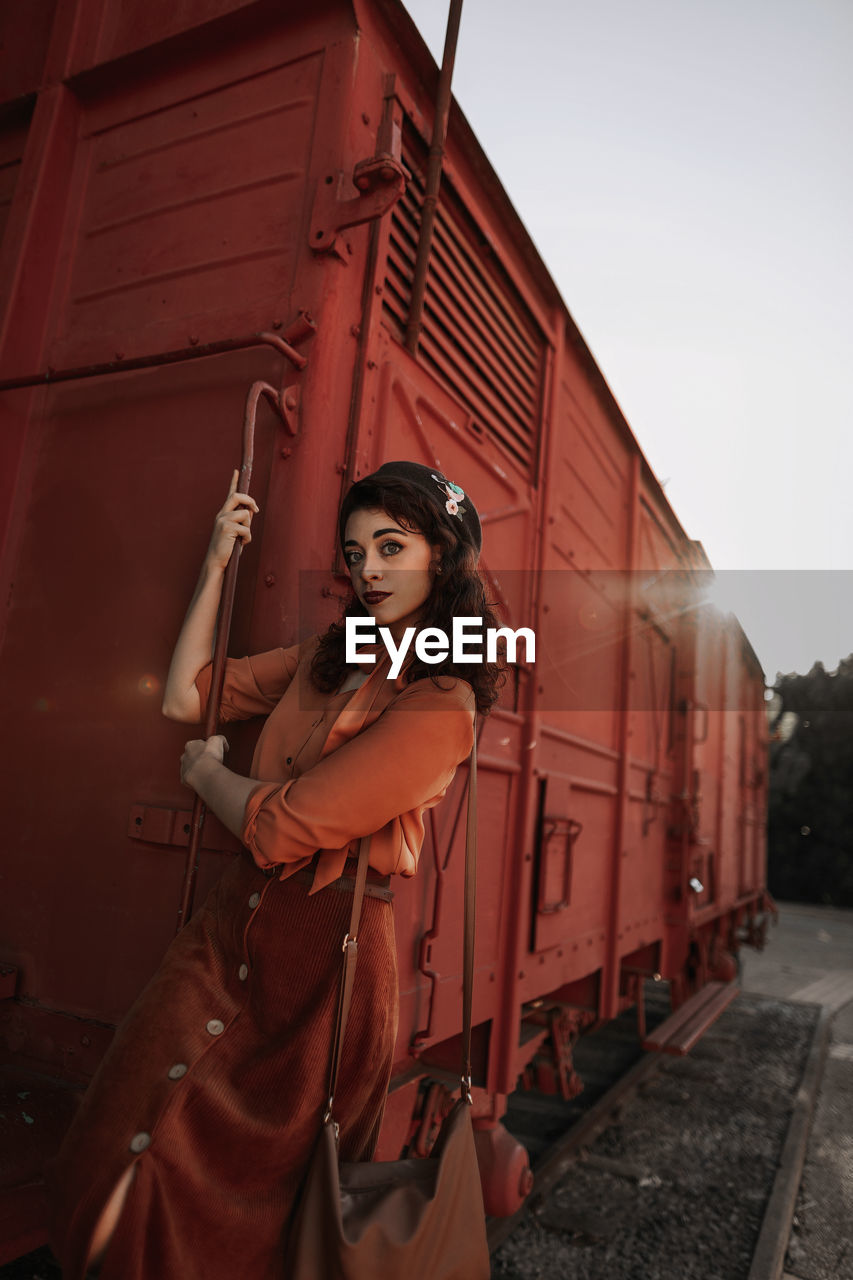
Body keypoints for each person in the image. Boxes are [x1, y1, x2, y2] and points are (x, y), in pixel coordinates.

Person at [48, 459, 502, 1280]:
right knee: (117, 1151)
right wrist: (217, 562)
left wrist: (205, 776)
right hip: (230, 928)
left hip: (328, 966)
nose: (365, 570)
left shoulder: (443, 702)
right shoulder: (329, 654)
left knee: (250, 1222)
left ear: (443, 556)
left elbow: (284, 829)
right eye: (354, 551)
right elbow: (187, 697)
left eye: (390, 547)